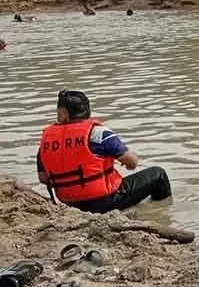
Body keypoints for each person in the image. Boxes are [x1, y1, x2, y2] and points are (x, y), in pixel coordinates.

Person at [36, 90, 172, 213]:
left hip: (69, 203)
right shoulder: (97, 133)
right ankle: (161, 213)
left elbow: (43, 178)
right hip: (104, 202)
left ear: (64, 114)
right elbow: (132, 162)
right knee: (158, 174)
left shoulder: (46, 141)